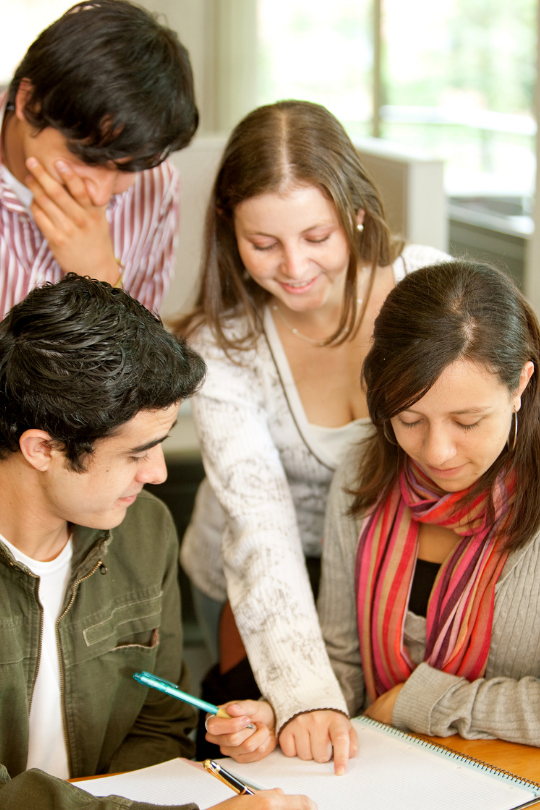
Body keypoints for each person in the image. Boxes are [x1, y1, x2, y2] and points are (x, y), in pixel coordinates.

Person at [174, 99, 450, 770]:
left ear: (357, 213)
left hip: (398, 561)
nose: (294, 267)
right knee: (272, 742)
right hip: (266, 568)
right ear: (227, 228)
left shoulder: (433, 288)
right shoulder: (226, 346)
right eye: (263, 244)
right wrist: (303, 695)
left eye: (316, 237)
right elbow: (260, 529)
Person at [0, 274, 315, 810]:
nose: (161, 473)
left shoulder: (144, 531)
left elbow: (161, 725)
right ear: (42, 448)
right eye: (136, 453)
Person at [314, 260, 540, 744]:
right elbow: (342, 661)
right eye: (410, 420)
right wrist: (299, 708)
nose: (436, 452)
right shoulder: (362, 471)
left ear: (520, 385)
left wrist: (425, 703)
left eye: (468, 421)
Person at [0, 0, 199, 319]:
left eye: (127, 167)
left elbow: (145, 364)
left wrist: (101, 277)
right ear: (28, 102)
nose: (100, 195)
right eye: (88, 156)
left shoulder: (155, 183)